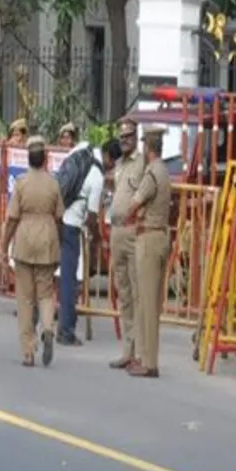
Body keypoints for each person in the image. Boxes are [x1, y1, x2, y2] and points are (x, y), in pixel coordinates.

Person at [2, 135, 64, 367]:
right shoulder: (53, 184)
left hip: (25, 237)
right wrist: (57, 241)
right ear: (46, 158)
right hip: (47, 236)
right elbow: (59, 217)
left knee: (25, 298)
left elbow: (12, 218)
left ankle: (28, 351)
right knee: (46, 293)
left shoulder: (21, 183)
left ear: (28, 158)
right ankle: (48, 329)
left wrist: (4, 242)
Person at [59, 138, 119, 346]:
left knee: (54, 274)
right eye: (113, 163)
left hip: (59, 216)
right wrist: (99, 239)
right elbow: (92, 217)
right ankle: (65, 330)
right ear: (109, 158)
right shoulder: (97, 177)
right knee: (70, 280)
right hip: (72, 226)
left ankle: (48, 318)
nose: (112, 167)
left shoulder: (82, 148)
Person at [126, 124, 173, 379]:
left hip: (149, 237)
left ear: (147, 148)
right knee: (150, 301)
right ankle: (145, 357)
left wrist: (126, 216)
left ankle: (149, 361)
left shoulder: (152, 174)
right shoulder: (164, 171)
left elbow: (134, 204)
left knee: (147, 302)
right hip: (161, 235)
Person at [108, 120, 146, 369]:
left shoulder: (142, 164)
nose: (125, 141)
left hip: (133, 231)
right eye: (122, 138)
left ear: (136, 137)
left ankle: (139, 351)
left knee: (136, 290)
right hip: (117, 230)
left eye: (129, 137)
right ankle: (127, 349)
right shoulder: (119, 165)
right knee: (123, 292)